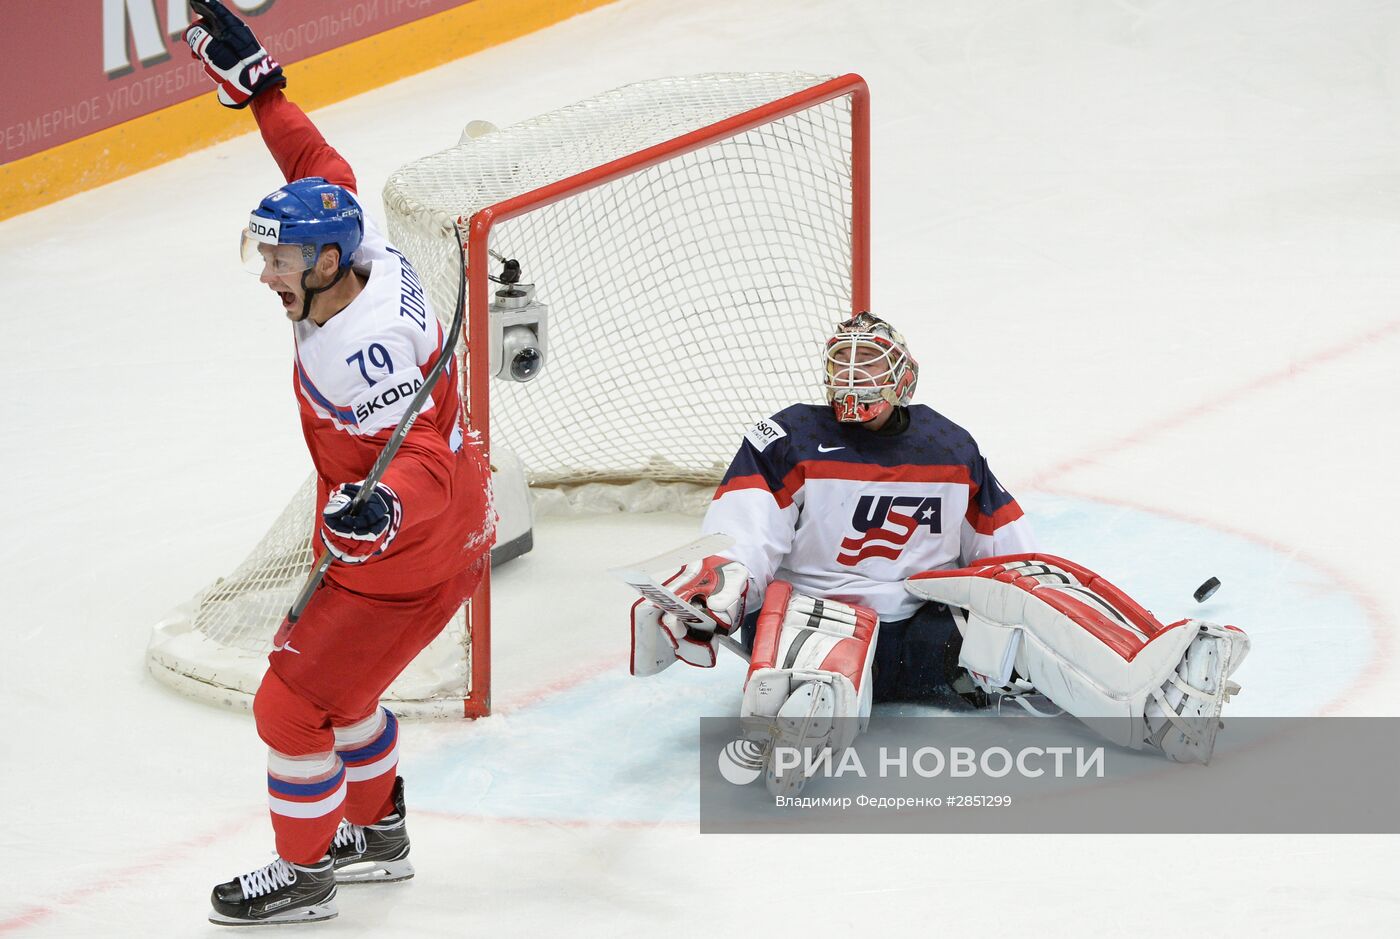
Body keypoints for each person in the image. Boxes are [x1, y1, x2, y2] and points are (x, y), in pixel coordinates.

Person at [630, 311, 1249, 793]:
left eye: (870, 366)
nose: (854, 382)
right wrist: (718, 589)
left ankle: (1159, 706)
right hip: (829, 614)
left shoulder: (949, 444)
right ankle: (803, 720)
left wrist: (1048, 607)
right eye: (844, 367)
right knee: (815, 650)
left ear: (905, 376)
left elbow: (1009, 554)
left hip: (933, 639)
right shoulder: (788, 437)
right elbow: (744, 532)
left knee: (1038, 613)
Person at [184, 1, 492, 926]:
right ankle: (379, 832)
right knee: (344, 690)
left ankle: (310, 870)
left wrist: (383, 509)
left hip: (409, 546)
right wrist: (264, 92)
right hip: (438, 530)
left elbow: (425, 456)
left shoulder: (366, 350)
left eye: (278, 260)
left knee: (288, 706)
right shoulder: (360, 246)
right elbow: (321, 169)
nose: (268, 274)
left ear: (325, 263)